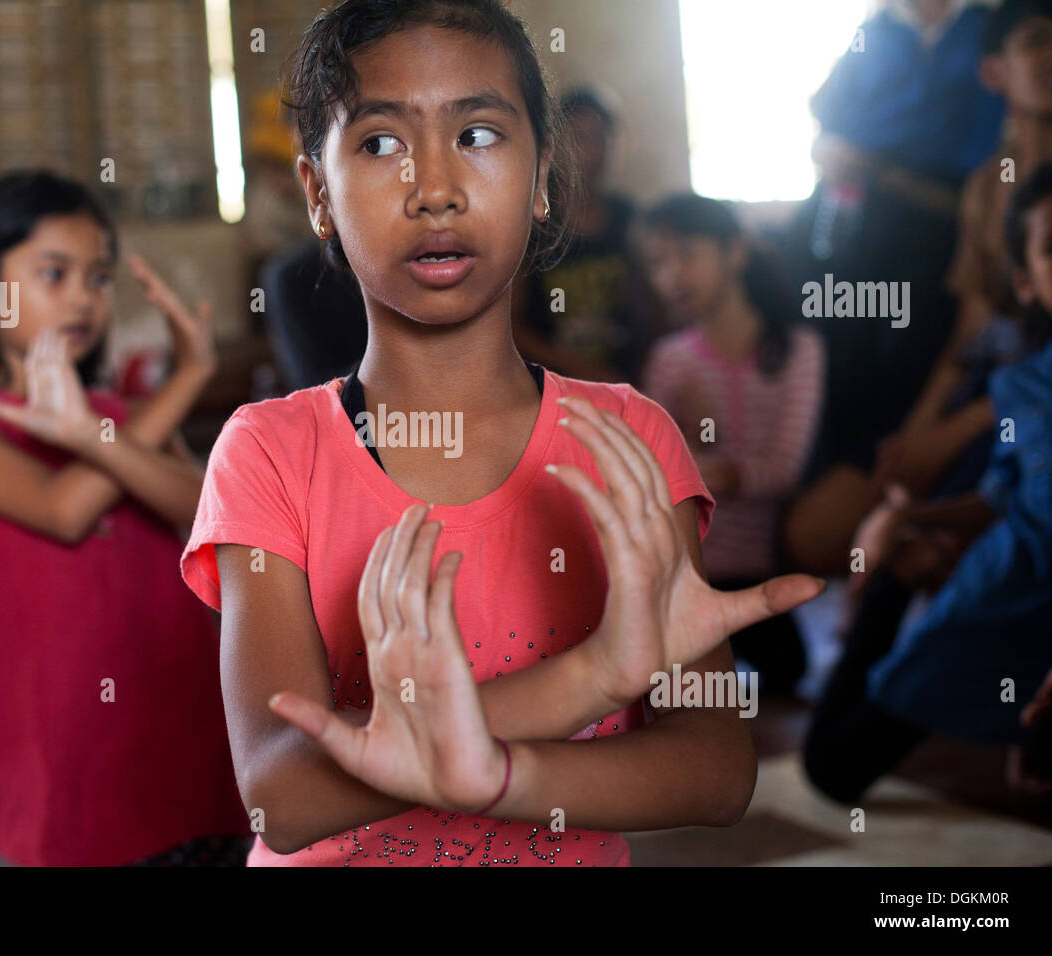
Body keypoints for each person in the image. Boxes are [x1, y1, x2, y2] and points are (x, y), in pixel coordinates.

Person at [181, 0, 824, 867]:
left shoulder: (628, 438)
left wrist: (495, 774)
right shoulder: (270, 452)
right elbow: (283, 798)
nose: (436, 187)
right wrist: (588, 681)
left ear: (545, 178)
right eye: (379, 143)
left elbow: (713, 770)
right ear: (318, 195)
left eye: (479, 134)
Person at [0, 169, 250, 866]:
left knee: (174, 843)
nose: (83, 298)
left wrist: (109, 428)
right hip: (6, 706)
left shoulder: (118, 416)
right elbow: (63, 511)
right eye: (53, 274)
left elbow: (207, 508)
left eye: (97, 277)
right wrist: (181, 384)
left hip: (154, 699)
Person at [804, 160, 1052, 803]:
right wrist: (908, 522)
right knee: (833, 766)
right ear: (1024, 281)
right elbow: (1005, 499)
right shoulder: (1020, 386)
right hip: (1001, 601)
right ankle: (895, 592)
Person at [785, 0, 1052, 575]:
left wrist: (957, 429)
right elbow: (972, 334)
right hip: (970, 372)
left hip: (1028, 407)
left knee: (929, 546)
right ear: (997, 71)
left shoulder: (969, 29)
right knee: (820, 534)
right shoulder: (990, 187)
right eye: (1035, 43)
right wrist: (918, 436)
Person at [641, 194, 825, 694]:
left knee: (788, 671)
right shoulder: (671, 360)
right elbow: (653, 476)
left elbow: (785, 468)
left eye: (687, 254)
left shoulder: (799, 351)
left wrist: (706, 454)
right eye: (658, 263)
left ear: (734, 252)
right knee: (668, 688)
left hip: (755, 573)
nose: (671, 276)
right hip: (685, 575)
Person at [513, 86, 665, 384]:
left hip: (631, 384)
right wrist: (581, 371)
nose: (593, 153)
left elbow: (657, 311)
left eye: (602, 138)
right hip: (554, 388)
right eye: (579, 139)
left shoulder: (631, 219)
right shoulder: (534, 223)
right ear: (554, 148)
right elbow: (512, 328)